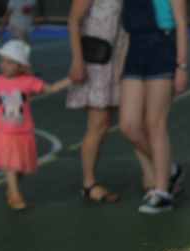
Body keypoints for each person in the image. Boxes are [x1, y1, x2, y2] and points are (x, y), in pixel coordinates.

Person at [0, 40, 70, 211]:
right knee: (11, 165)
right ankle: (16, 196)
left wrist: (70, 80)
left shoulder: (28, 81)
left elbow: (51, 88)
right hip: (3, 132)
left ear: (20, 66)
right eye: (2, 61)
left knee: (20, 167)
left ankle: (12, 190)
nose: (4, 65)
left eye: (10, 62)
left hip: (23, 133)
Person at [118, 0, 188, 214]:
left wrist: (182, 66)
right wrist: (119, 66)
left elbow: (181, 22)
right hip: (134, 52)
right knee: (129, 126)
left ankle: (162, 192)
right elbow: (125, 31)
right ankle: (169, 169)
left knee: (154, 123)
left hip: (161, 49)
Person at [67, 0, 126, 204]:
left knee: (108, 123)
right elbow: (74, 20)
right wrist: (77, 60)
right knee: (97, 124)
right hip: (96, 60)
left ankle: (152, 178)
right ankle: (89, 183)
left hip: (118, 58)